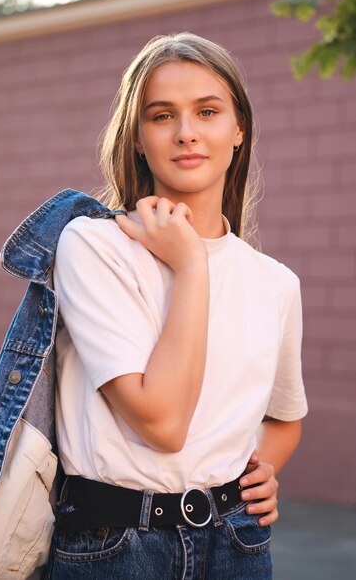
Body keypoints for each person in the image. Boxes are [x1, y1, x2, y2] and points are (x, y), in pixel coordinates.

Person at [44, 32, 308, 580]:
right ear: (138, 138)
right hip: (114, 549)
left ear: (238, 130)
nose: (186, 133)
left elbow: (284, 418)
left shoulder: (275, 283)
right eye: (162, 116)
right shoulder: (93, 247)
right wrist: (191, 267)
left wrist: (264, 470)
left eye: (207, 111)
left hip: (237, 543)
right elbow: (162, 423)